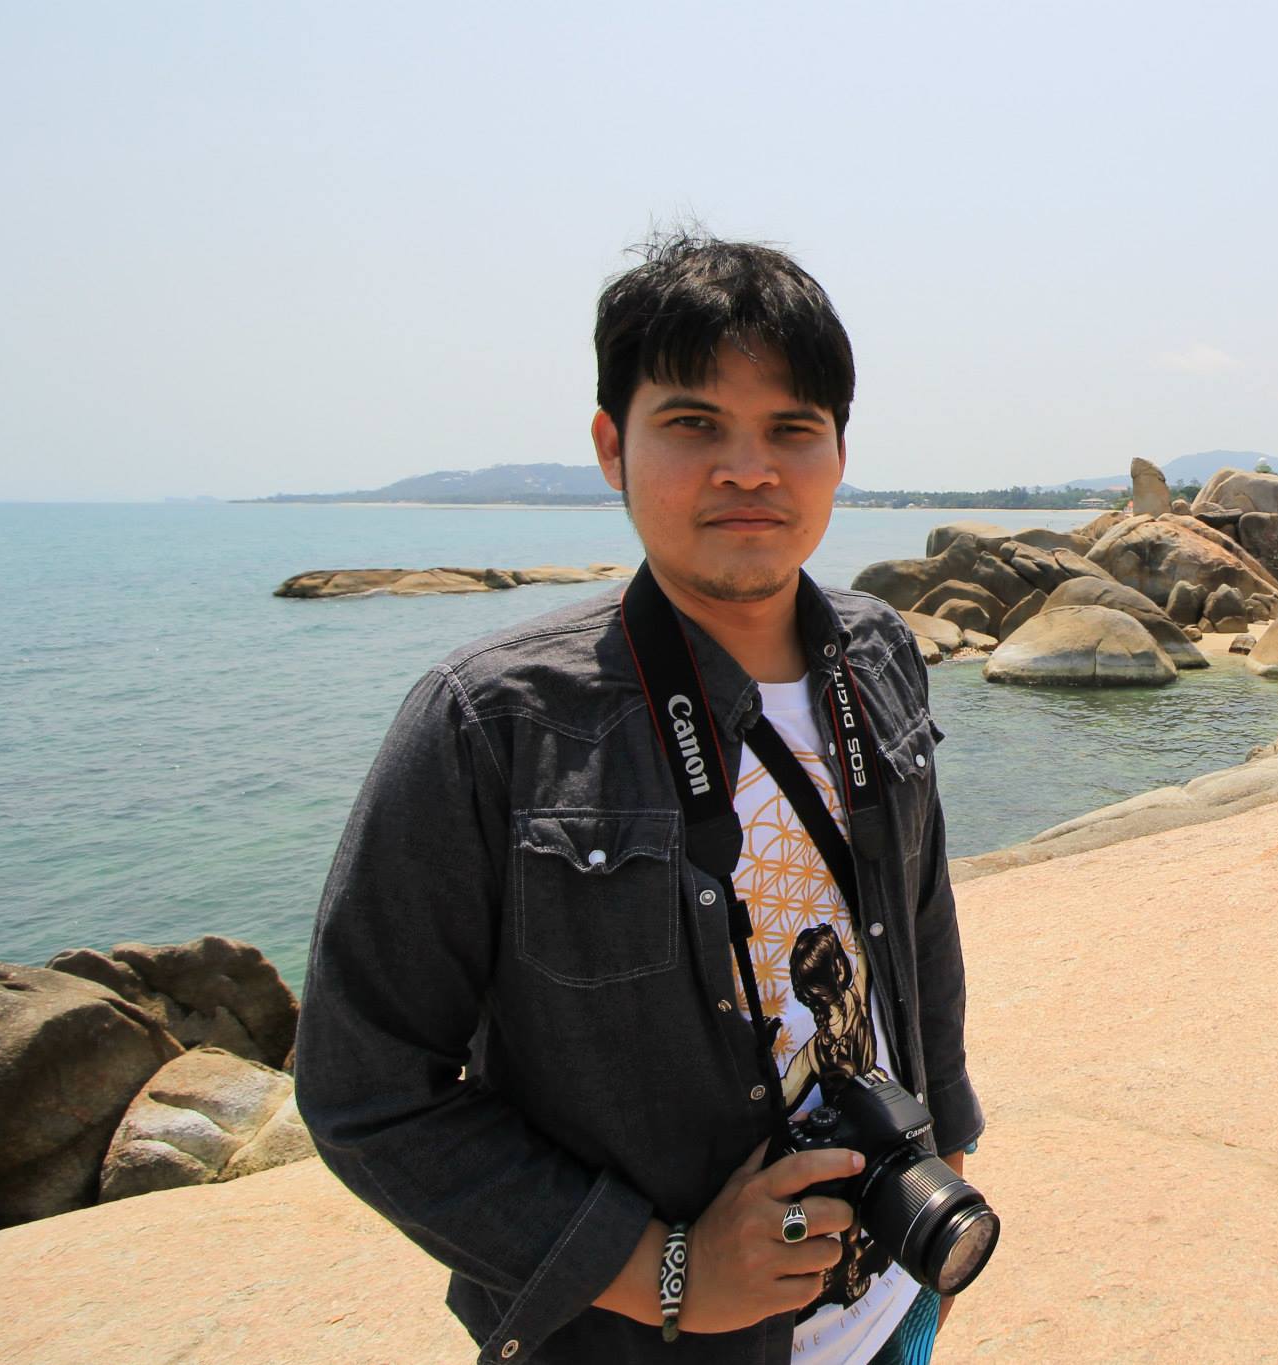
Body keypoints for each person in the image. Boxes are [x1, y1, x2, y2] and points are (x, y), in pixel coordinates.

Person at [294, 233, 983, 1365]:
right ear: (612, 446)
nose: (748, 470)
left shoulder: (876, 652)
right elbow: (363, 1087)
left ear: (838, 452)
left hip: (888, 1315)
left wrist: (945, 1142)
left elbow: (917, 919)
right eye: (694, 424)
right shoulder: (495, 724)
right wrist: (664, 1269)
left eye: (791, 429)